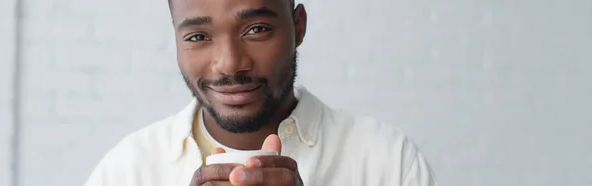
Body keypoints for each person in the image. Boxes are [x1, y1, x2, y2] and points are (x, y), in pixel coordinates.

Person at [84, 0, 437, 185]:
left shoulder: (388, 162)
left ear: (298, 26)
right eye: (197, 37)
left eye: (256, 29)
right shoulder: (128, 169)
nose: (229, 64)